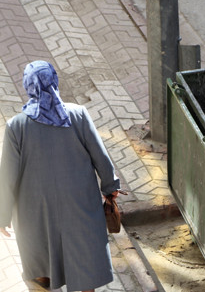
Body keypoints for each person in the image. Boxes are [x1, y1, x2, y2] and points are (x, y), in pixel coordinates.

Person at [0, 61, 121, 292]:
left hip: (34, 214)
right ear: (54, 80)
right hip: (80, 206)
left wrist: (3, 215)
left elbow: (7, 178)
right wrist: (110, 187)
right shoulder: (77, 115)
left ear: (28, 86)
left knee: (41, 268)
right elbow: (100, 156)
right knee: (85, 265)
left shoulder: (16, 126)